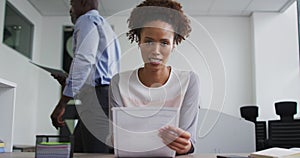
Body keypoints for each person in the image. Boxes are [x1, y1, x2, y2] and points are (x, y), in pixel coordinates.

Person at [109, 0, 199, 155]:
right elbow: (115, 140)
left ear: (174, 45)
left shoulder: (189, 81)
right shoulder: (118, 83)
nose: (156, 51)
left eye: (164, 43)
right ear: (139, 42)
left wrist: (186, 145)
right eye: (149, 41)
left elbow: (189, 141)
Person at [50, 0, 120, 153]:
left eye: (72, 4)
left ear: (82, 2)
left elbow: (84, 61)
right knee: (79, 150)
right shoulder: (106, 27)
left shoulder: (86, 20)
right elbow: (97, 70)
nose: (70, 10)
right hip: (104, 97)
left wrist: (62, 103)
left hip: (96, 100)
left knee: (94, 154)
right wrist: (68, 81)